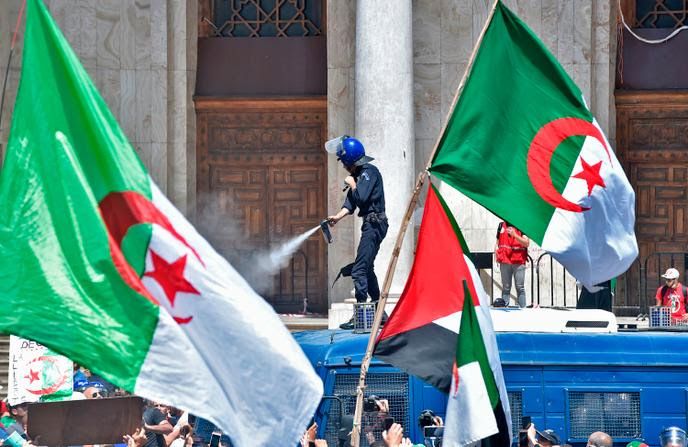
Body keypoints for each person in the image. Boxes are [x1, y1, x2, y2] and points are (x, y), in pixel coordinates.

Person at [327, 136, 388, 330]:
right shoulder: (360, 173)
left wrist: (352, 183)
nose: (344, 167)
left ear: (350, 160)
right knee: (366, 268)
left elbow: (360, 196)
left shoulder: (369, 172)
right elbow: (351, 203)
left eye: (344, 163)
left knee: (359, 270)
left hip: (375, 225)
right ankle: (380, 314)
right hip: (371, 224)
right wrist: (337, 217)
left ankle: (361, 316)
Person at [495, 221, 529, 307]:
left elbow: (526, 243)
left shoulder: (521, 225)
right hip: (504, 260)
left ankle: (522, 309)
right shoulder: (501, 225)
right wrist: (496, 254)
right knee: (506, 287)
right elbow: (497, 242)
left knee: (520, 287)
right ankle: (504, 308)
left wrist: (515, 235)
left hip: (518, 260)